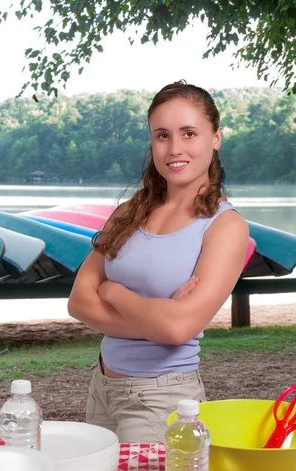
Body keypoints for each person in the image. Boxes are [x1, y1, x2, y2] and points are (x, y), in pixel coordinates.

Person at [68, 81, 249, 443]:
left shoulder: (226, 227)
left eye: (189, 133)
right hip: (102, 385)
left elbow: (178, 331)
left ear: (216, 137)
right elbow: (78, 303)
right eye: (162, 135)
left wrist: (113, 291)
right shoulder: (128, 213)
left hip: (162, 398)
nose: (174, 148)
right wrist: (159, 318)